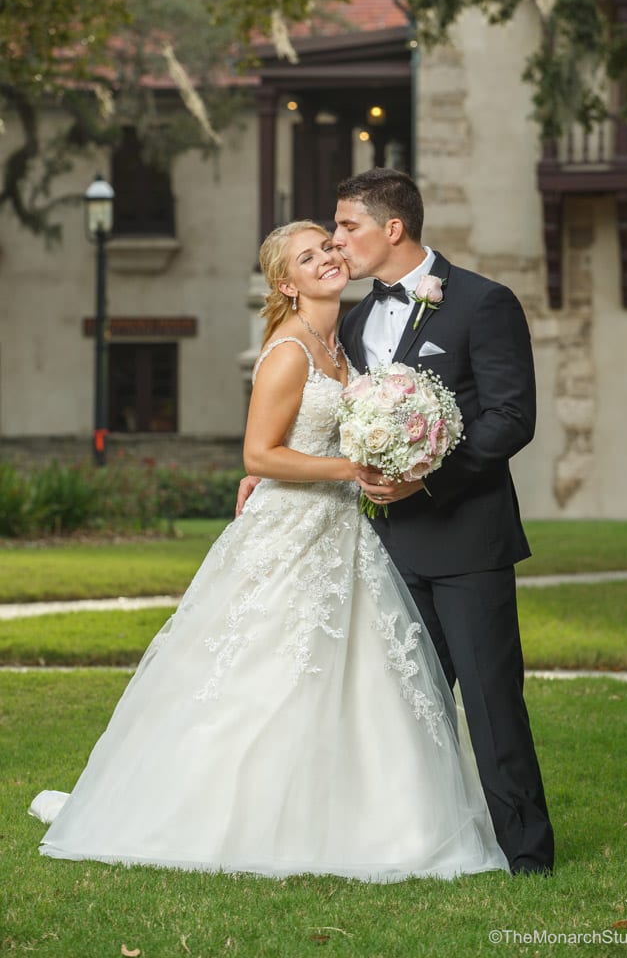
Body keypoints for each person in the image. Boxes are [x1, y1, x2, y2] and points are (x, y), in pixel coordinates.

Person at [29, 220, 509, 882]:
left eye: (329, 248)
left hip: (346, 533)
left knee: (360, 677)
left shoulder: (343, 344)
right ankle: (223, 813)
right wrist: (351, 470)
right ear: (285, 282)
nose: (326, 259)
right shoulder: (288, 351)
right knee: (264, 673)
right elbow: (258, 451)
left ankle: (372, 818)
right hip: (291, 531)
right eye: (307, 257)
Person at [238, 171, 555, 876]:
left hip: (467, 537)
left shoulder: (482, 302)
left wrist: (426, 478)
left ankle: (527, 855)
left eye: (344, 227)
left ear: (390, 229)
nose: (336, 241)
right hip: (375, 545)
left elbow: (510, 417)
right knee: (399, 708)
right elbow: (333, 421)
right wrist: (265, 465)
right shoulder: (349, 321)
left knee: (489, 699)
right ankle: (409, 841)